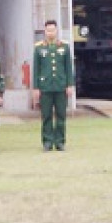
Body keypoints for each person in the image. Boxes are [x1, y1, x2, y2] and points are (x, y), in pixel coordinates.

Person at [33, 20, 75, 152]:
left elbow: (68, 67)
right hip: (45, 86)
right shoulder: (39, 47)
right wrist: (36, 87)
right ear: (45, 32)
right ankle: (47, 141)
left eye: (53, 30)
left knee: (61, 115)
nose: (50, 32)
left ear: (57, 31)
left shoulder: (64, 46)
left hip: (60, 86)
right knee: (46, 116)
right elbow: (36, 69)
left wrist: (70, 85)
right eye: (48, 30)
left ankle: (60, 141)